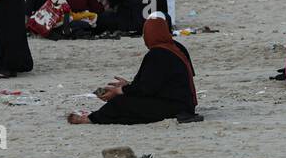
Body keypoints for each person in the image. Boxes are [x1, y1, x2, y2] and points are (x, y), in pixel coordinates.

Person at [70, 14, 199, 124]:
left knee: (120, 103)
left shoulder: (158, 53)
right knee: (126, 102)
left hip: (174, 107)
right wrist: (128, 85)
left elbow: (146, 89)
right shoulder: (175, 47)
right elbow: (154, 83)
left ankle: (90, 119)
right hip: (183, 104)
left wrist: (119, 91)